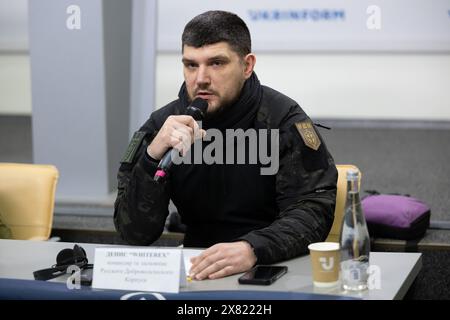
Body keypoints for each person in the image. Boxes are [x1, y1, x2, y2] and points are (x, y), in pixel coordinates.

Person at [114, 10, 338, 281]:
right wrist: (151, 159)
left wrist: (253, 248)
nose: (201, 79)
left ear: (247, 66)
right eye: (191, 65)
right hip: (198, 267)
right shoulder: (162, 127)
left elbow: (313, 211)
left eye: (216, 63)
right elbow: (134, 234)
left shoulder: (283, 120)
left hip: (273, 266)